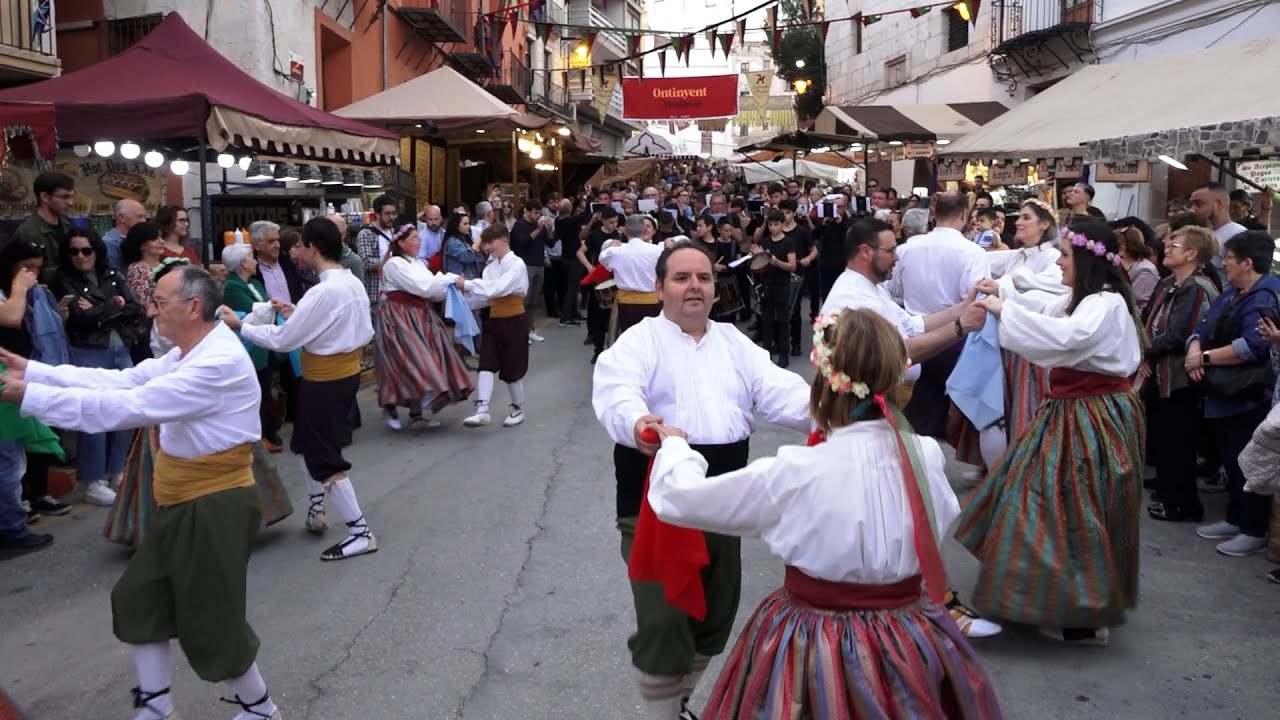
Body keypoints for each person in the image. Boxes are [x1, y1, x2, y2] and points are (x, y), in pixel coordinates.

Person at [645, 308, 1003, 719]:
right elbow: (943, 513)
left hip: (813, 638)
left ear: (826, 379)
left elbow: (678, 499)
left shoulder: (796, 470)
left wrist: (676, 449)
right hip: (908, 633)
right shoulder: (923, 453)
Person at [0, 263, 283, 720]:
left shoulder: (216, 362)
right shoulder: (192, 350)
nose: (150, 310)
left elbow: (126, 406)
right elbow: (126, 381)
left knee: (212, 617)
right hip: (184, 500)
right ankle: (157, 705)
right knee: (141, 599)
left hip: (214, 504)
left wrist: (27, 396)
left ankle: (261, 709)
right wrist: (32, 372)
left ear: (192, 308)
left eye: (159, 302)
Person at [592, 242, 813, 720]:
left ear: (716, 289)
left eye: (704, 278)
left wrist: (838, 414)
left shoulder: (735, 342)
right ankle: (664, 712)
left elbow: (782, 393)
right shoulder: (639, 340)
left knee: (714, 619)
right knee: (664, 620)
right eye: (682, 278)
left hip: (724, 501)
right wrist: (641, 424)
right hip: (656, 500)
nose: (695, 286)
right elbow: (616, 392)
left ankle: (676, 702)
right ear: (659, 288)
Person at [957, 220, 1145, 645]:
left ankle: (1080, 614)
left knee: (1073, 505)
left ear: (1085, 259)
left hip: (1091, 414)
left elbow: (1067, 335)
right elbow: (1050, 307)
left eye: (1064, 254)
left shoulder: (1105, 302)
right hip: (1075, 411)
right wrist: (1003, 293)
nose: (1058, 261)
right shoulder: (1090, 298)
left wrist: (1003, 306)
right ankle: (1056, 601)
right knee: (1046, 499)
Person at [221, 217, 378, 562]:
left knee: (324, 455)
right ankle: (317, 509)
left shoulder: (324, 291)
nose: (295, 251)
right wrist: (297, 313)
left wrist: (240, 325)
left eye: (299, 244)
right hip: (337, 374)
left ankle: (360, 531)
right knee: (308, 443)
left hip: (325, 379)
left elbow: (284, 340)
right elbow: (352, 329)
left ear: (314, 248)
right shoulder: (347, 282)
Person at [56, 226, 144, 506]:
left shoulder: (112, 273)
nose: (80, 256)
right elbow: (79, 319)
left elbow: (133, 306)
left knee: (126, 411)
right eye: (74, 251)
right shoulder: (64, 279)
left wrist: (99, 308)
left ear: (96, 250)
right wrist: (111, 305)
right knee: (94, 414)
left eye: (86, 250)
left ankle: (115, 470)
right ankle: (91, 479)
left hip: (120, 347)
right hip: (88, 349)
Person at [376, 224, 473, 430]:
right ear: (401, 243)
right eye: (414, 238)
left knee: (425, 360)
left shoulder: (419, 263)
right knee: (406, 363)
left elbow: (433, 292)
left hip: (420, 316)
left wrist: (449, 285)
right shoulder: (394, 264)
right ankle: (390, 404)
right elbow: (423, 288)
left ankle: (416, 414)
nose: (419, 242)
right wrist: (450, 279)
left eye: (419, 238)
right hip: (399, 317)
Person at [458, 224, 530, 428]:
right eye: (486, 243)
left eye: (492, 243)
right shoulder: (490, 268)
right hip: (495, 319)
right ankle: (482, 409)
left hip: (515, 319)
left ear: (505, 239)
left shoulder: (517, 264)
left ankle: (517, 408)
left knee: (512, 368)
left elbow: (498, 288)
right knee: (486, 363)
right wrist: (464, 296)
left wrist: (469, 285)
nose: (488, 247)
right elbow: (485, 297)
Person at [599, 214, 665, 347]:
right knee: (652, 339)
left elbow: (603, 258)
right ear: (643, 230)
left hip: (626, 302)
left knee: (630, 340)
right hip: (652, 301)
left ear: (625, 231)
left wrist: (611, 244)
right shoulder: (658, 250)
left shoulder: (615, 252)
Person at [13, 171, 73, 285]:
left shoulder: (66, 225)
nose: (70, 202)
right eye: (64, 197)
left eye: (71, 196)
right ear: (44, 197)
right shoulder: (28, 232)